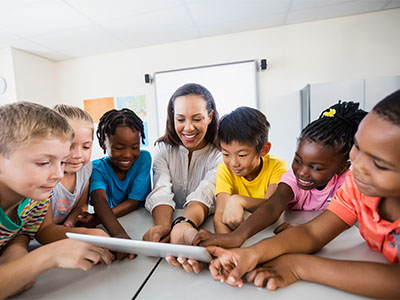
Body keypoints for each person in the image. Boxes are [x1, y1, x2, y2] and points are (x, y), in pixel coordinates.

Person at [206, 90, 400, 299]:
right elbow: (312, 233)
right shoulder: (357, 188)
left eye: (379, 164)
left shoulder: (356, 180)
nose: (359, 166)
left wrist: (298, 266)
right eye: (358, 148)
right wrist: (251, 253)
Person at [195, 101, 367, 248]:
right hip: (280, 236)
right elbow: (271, 207)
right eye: (298, 160)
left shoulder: (348, 183)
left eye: (315, 167)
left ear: (342, 168)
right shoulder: (292, 177)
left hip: (332, 243)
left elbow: (343, 218)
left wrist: (306, 227)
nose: (301, 172)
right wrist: (236, 237)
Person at [0, 102, 113, 298]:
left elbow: (24, 231)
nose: (58, 174)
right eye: (43, 163)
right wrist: (49, 255)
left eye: (61, 161)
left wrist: (17, 246)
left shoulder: (36, 198)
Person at [142, 83, 221, 273]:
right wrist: (162, 227)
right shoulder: (163, 148)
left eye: (197, 119)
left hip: (200, 224)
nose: (188, 128)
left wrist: (184, 224)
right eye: (180, 119)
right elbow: (161, 189)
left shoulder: (220, 153)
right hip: (169, 224)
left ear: (210, 117)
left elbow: (206, 192)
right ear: (172, 117)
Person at [79, 108, 151, 259]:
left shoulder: (144, 159)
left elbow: (133, 202)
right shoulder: (96, 168)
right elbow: (99, 200)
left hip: (141, 223)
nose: (127, 154)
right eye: (119, 148)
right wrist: (118, 235)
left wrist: (97, 219)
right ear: (103, 144)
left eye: (134, 147)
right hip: (115, 223)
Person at [212, 106, 287, 234]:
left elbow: (271, 206)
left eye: (242, 155)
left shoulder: (277, 166)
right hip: (239, 240)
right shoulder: (225, 169)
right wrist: (226, 249)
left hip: (270, 235)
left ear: (264, 149)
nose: (234, 163)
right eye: (226, 154)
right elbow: (220, 216)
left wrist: (239, 200)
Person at [51, 104, 94, 227]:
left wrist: (70, 222)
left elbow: (81, 205)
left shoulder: (85, 168)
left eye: (86, 147)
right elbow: (44, 229)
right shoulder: (47, 177)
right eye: (70, 147)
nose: (78, 155)